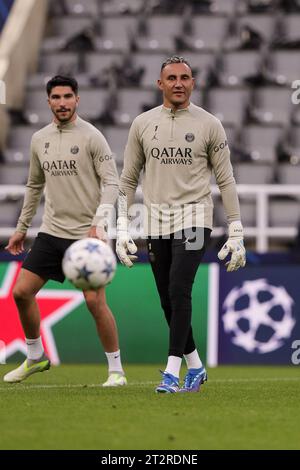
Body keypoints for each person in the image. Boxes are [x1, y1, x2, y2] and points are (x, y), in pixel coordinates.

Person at [116, 56, 246, 393]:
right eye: (171, 77)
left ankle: (172, 373)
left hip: (194, 219)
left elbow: (226, 180)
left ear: (193, 82)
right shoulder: (142, 124)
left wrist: (236, 229)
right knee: (167, 301)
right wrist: (120, 225)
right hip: (155, 222)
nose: (178, 83)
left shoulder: (209, 124)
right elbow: (127, 180)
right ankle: (197, 367)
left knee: (178, 289)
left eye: (184, 77)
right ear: (159, 84)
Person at [3, 75, 127, 387]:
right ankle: (35, 357)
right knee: (20, 292)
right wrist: (21, 228)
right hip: (52, 231)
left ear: (77, 99)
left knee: (95, 302)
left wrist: (98, 223)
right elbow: (34, 186)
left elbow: (112, 182)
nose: (62, 103)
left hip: (88, 235)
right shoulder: (39, 139)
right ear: (48, 102)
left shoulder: (92, 136)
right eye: (56, 97)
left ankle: (116, 370)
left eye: (67, 97)